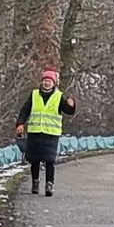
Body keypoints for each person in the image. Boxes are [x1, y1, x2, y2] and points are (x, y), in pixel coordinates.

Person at [19, 67, 67, 198]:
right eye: (45, 80)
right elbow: (25, 110)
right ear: (42, 82)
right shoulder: (34, 94)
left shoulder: (59, 97)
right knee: (34, 160)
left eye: (49, 81)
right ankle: (35, 182)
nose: (47, 83)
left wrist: (71, 105)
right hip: (35, 132)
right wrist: (20, 123)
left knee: (50, 160)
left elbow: (68, 110)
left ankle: (49, 184)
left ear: (53, 83)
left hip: (51, 134)